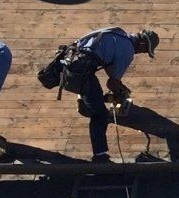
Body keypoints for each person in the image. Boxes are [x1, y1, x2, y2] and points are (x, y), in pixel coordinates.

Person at [44, 27, 158, 160]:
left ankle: (84, 102)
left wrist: (118, 86)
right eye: (144, 50)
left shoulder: (117, 34)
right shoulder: (128, 50)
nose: (141, 53)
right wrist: (120, 93)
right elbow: (112, 83)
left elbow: (109, 67)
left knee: (92, 90)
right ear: (143, 43)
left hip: (69, 61)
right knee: (101, 115)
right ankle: (100, 155)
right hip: (80, 72)